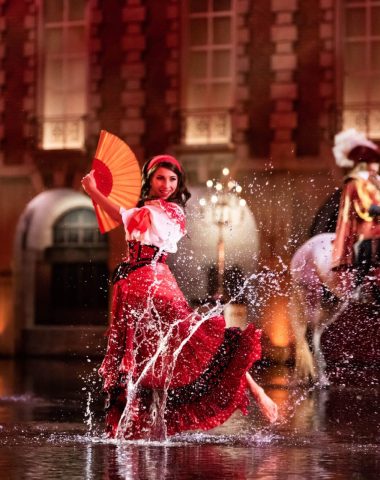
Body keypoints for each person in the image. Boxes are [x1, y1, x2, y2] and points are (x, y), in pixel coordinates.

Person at [82, 154, 278, 440]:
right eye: (160, 178)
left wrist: (93, 191)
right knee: (147, 357)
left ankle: (258, 391)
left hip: (154, 282)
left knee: (193, 337)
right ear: (149, 178)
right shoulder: (147, 207)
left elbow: (124, 218)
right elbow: (127, 219)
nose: (166, 185)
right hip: (131, 286)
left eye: (172, 179)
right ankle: (140, 429)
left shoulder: (171, 212)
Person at [332, 129, 380, 292]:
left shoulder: (376, 181)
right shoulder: (357, 182)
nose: (377, 165)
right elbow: (365, 208)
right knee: (367, 261)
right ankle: (360, 291)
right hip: (368, 232)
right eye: (374, 161)